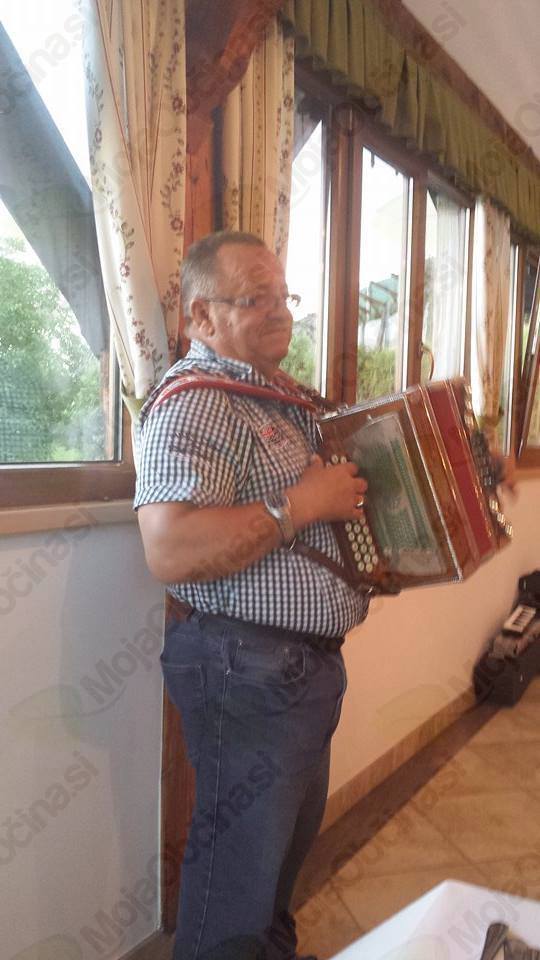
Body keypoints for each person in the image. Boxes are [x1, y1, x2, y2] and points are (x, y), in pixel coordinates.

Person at [134, 231, 373, 960]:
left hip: (294, 675)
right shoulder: (197, 404)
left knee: (272, 879)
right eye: (254, 298)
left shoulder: (274, 398)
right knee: (235, 892)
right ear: (201, 317)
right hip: (246, 671)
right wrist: (300, 505)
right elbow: (171, 550)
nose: (280, 312)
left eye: (283, 296)